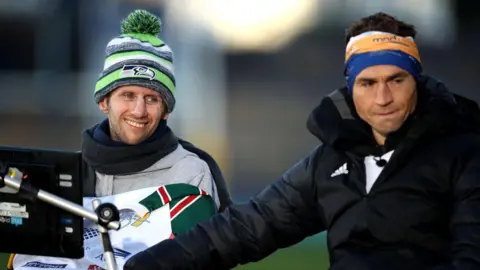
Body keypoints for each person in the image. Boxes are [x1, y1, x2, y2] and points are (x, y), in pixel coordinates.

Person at [123, 12, 480, 270]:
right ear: (351, 88)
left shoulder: (464, 153)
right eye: (368, 84)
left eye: (396, 80)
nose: (383, 97)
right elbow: (248, 227)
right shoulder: (331, 160)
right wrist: (147, 265)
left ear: (416, 80)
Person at [9, 9, 232, 270]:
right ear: (104, 101)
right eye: (128, 95)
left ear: (166, 111)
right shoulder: (72, 173)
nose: (139, 111)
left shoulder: (190, 173)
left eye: (152, 99)